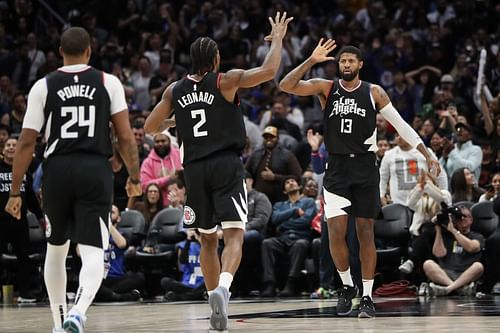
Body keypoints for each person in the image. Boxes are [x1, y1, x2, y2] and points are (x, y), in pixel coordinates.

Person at [144, 12, 293, 331]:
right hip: (226, 166)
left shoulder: (175, 90)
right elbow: (268, 70)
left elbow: (149, 126)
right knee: (235, 234)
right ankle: (223, 289)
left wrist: (176, 121)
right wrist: (277, 39)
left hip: (194, 170)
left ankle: (213, 298)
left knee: (207, 240)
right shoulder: (226, 80)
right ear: (215, 59)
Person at [279, 41, 441, 318]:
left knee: (365, 233)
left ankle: (366, 295)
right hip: (337, 168)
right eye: (342, 61)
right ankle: (346, 287)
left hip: (365, 168)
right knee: (336, 232)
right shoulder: (326, 87)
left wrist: (428, 154)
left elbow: (401, 124)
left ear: (360, 65)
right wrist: (310, 60)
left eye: (351, 61)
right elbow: (286, 85)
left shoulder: (373, 92)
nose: (346, 65)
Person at [4, 27, 141, 333]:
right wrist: (133, 176)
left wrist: (15, 191)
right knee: (94, 249)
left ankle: (57, 322)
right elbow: (126, 137)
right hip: (94, 169)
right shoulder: (109, 82)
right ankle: (78, 311)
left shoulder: (43, 85)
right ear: (90, 51)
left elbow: (26, 143)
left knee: (56, 248)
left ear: (59, 52)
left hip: (57, 170)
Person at [0, 137, 44, 302]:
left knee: (23, 257)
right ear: (3, 150)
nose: (11, 147)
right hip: (1, 220)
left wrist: (40, 217)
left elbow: (31, 199)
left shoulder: (23, 172)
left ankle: (25, 293)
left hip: (20, 221)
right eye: (8, 145)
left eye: (14, 145)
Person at [260, 176, 316, 297]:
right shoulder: (279, 205)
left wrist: (284, 223)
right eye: (287, 182)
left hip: (301, 237)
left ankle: (291, 283)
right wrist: (294, 211)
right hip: (282, 238)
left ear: (299, 186)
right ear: (284, 191)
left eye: (293, 181)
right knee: (267, 243)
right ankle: (270, 283)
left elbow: (306, 221)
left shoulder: (308, 202)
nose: (290, 182)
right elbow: (274, 219)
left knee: (301, 244)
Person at [422, 206, 484, 297]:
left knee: (478, 266)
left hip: (465, 274)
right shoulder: (447, 235)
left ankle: (448, 289)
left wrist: (454, 231)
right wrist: (438, 229)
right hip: (445, 275)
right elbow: (439, 254)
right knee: (428, 264)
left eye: (464, 217)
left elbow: (471, 247)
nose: (461, 219)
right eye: (458, 217)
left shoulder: (477, 236)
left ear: (471, 219)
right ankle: (458, 289)